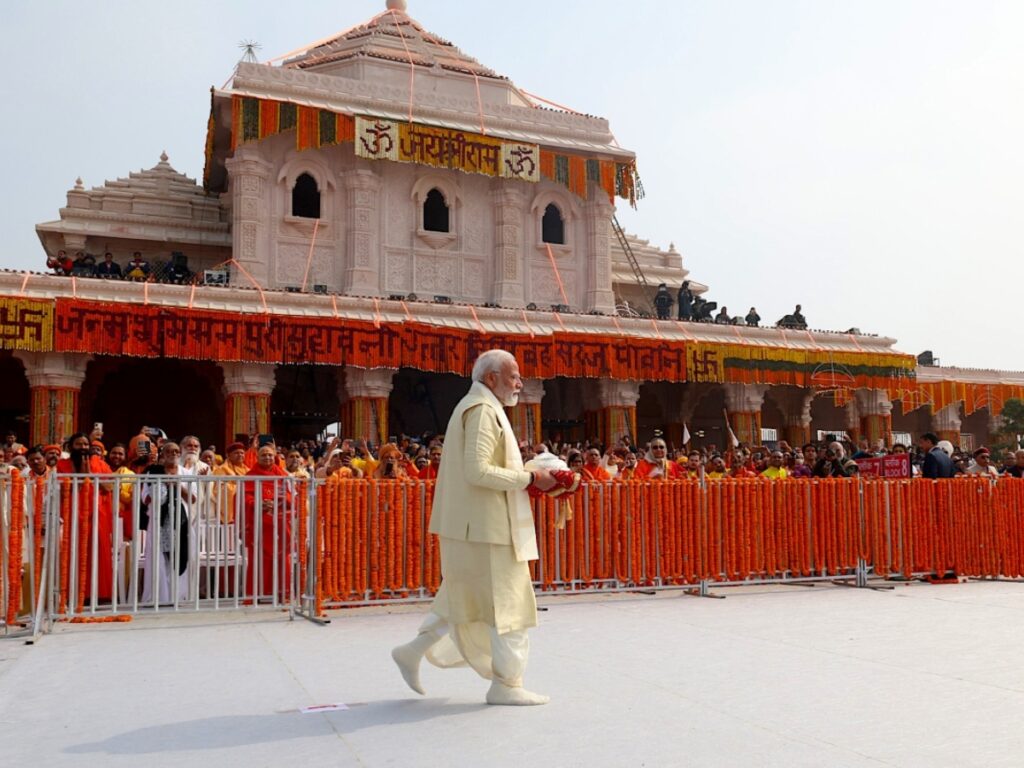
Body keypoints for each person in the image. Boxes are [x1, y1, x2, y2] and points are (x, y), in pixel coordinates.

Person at [391, 349, 557, 706]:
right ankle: (507, 684)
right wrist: (531, 477)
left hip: (475, 526)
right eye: (513, 376)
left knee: (462, 598)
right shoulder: (482, 410)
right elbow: (477, 471)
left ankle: (411, 651)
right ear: (491, 378)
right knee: (509, 606)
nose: (519, 382)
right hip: (487, 528)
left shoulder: (479, 407)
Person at [141, 443, 193, 605]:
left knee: (179, 556)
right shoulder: (153, 472)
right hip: (159, 522)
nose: (173, 454)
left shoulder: (186, 473)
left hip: (181, 521)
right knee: (159, 558)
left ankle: (178, 595)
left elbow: (193, 498)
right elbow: (145, 497)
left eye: (176, 451)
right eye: (169, 451)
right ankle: (159, 596)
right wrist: (159, 491)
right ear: (163, 454)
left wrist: (177, 485)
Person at [244, 444, 292, 600]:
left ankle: (282, 594)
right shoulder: (250, 476)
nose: (267, 457)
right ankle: (255, 595)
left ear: (275, 457)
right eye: (264, 455)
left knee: (282, 560)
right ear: (257, 457)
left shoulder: (283, 475)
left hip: (279, 526)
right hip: (259, 526)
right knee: (257, 560)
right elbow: (244, 498)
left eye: (270, 455)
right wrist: (258, 503)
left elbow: (291, 498)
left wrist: (279, 500)